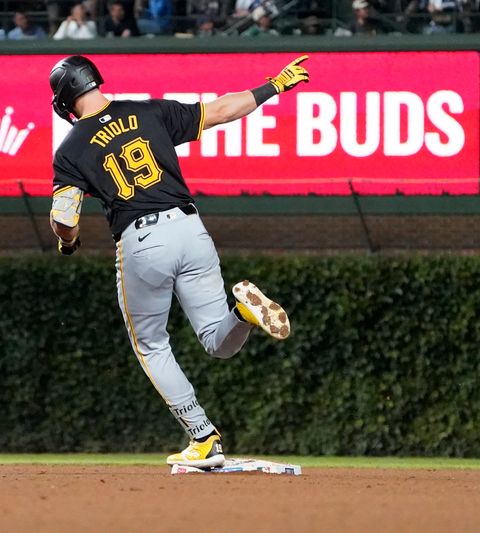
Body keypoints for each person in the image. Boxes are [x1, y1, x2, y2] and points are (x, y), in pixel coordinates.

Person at [48, 55, 308, 468]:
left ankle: (203, 437)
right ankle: (241, 312)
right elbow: (222, 109)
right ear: (96, 81)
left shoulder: (71, 149)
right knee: (216, 341)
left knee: (151, 344)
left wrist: (68, 243)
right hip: (190, 228)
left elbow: (64, 218)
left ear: (64, 102)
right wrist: (274, 85)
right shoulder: (149, 110)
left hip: (141, 238)